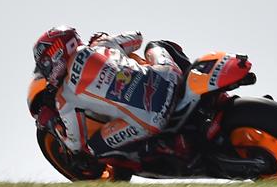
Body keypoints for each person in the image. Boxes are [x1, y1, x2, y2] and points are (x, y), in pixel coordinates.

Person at [30, 27, 184, 160]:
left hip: (154, 119)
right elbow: (137, 37)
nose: (46, 71)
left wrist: (53, 123)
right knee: (155, 46)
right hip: (170, 78)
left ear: (56, 54)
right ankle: (193, 74)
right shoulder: (102, 44)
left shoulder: (64, 96)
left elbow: (76, 144)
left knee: (92, 148)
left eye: (45, 64)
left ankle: (159, 151)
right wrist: (105, 37)